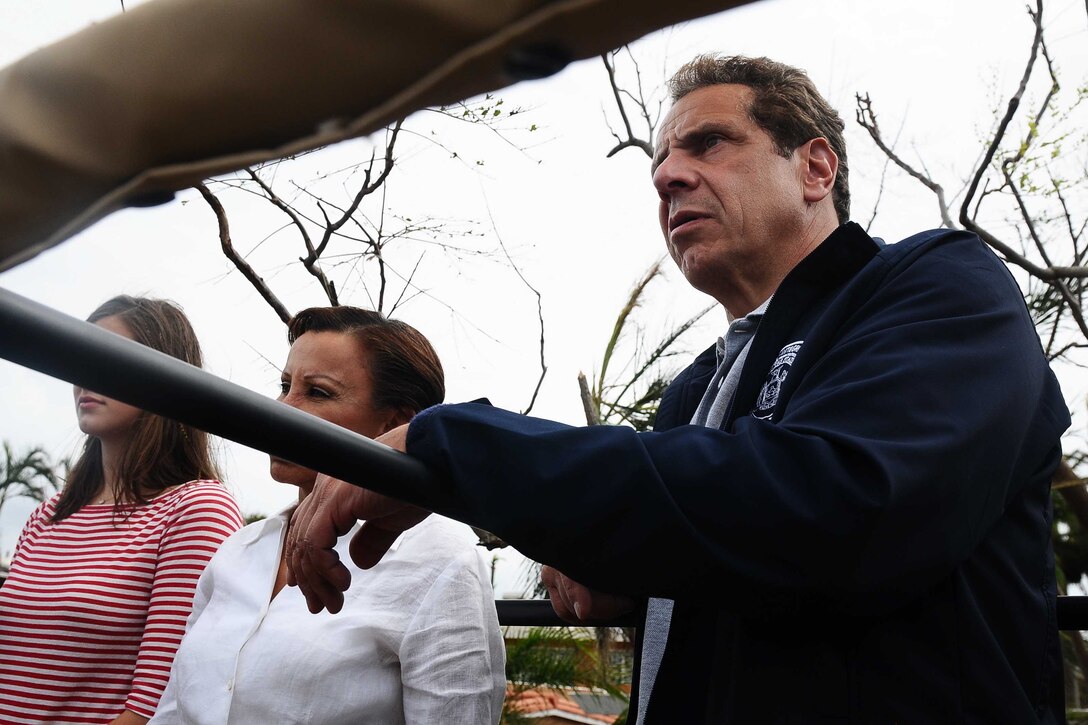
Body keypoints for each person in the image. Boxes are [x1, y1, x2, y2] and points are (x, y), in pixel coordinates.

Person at [286, 56, 1070, 722]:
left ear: (815, 167)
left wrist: (453, 444)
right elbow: (720, 537)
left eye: (710, 142)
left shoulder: (937, 286)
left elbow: (840, 506)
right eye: (661, 160)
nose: (667, 174)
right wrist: (620, 576)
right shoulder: (694, 389)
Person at [150, 306, 505, 724]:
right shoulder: (238, 551)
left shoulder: (441, 563)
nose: (282, 406)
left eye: (317, 392)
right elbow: (172, 710)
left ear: (396, 424)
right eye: (284, 386)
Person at [0, 295, 244, 725]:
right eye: (81, 355)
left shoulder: (195, 509)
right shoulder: (49, 513)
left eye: (106, 357)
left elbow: (156, 704)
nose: (84, 375)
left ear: (163, 375)